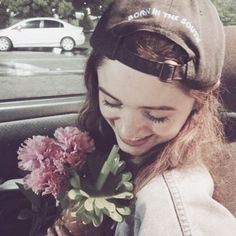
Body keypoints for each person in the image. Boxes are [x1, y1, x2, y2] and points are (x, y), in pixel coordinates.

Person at [47, 0, 236, 235]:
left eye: (156, 116)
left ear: (199, 104)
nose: (127, 132)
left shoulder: (171, 207)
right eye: (111, 102)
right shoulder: (105, 153)